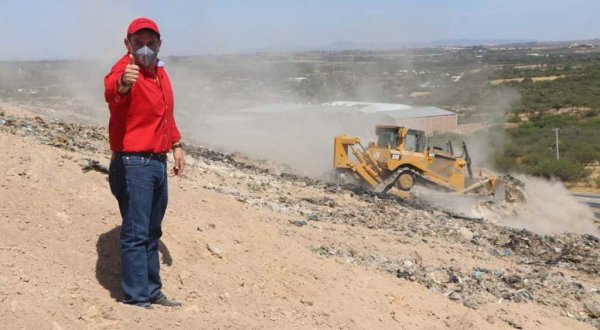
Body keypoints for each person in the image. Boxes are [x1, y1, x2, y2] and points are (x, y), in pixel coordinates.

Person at [104, 17, 184, 309]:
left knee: (152, 229)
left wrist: (176, 144)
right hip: (133, 163)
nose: (145, 49)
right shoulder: (126, 70)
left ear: (159, 44)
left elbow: (165, 114)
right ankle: (136, 298)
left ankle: (152, 291)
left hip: (156, 163)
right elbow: (113, 92)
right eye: (138, 43)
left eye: (151, 43)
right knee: (137, 232)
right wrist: (124, 85)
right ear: (127, 44)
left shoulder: (160, 73)